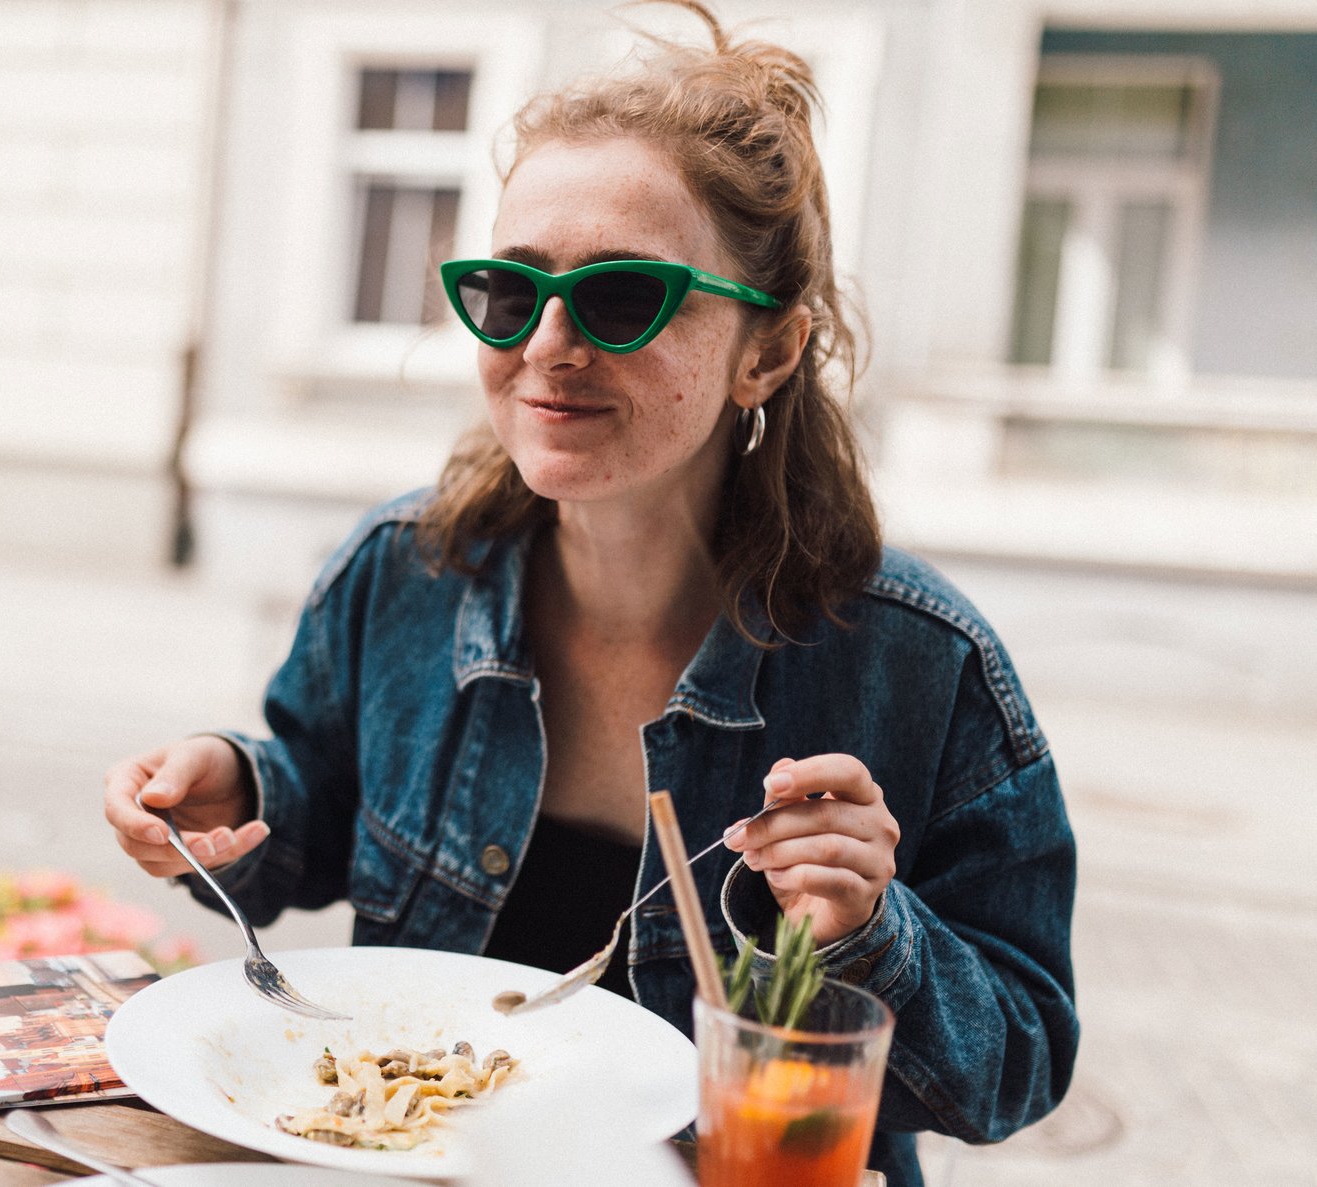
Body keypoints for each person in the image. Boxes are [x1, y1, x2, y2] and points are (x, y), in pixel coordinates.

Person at [104, 5, 1076, 1182]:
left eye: (621, 297)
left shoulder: (918, 663)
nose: (550, 343)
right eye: (508, 293)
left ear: (765, 352)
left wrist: (875, 931)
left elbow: (1018, 1063)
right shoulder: (402, 570)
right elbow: (318, 802)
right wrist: (238, 791)